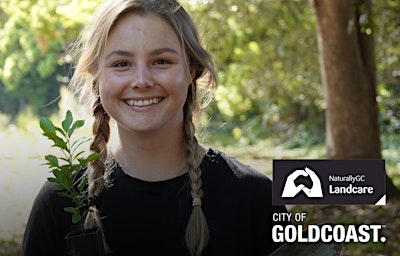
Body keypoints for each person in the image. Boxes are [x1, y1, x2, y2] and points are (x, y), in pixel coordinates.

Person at [22, 0, 289, 255]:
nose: (141, 80)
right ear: (96, 74)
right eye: (121, 64)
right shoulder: (59, 203)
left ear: (192, 70)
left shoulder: (254, 199)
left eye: (161, 61)